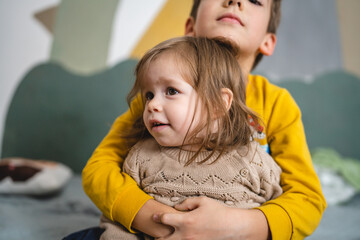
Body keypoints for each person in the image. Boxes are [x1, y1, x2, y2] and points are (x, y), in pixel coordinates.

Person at [78, 0, 326, 239]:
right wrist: (156, 219)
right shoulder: (156, 101)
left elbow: (308, 198)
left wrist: (241, 228)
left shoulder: (276, 104)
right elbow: (99, 169)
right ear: (190, 28)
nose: (235, 2)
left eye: (254, 0)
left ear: (268, 42)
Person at [98, 36, 283, 240]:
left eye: (171, 91)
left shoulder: (253, 160)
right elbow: (119, 222)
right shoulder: (141, 158)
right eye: (149, 95)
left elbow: (275, 212)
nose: (151, 105)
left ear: (217, 105)